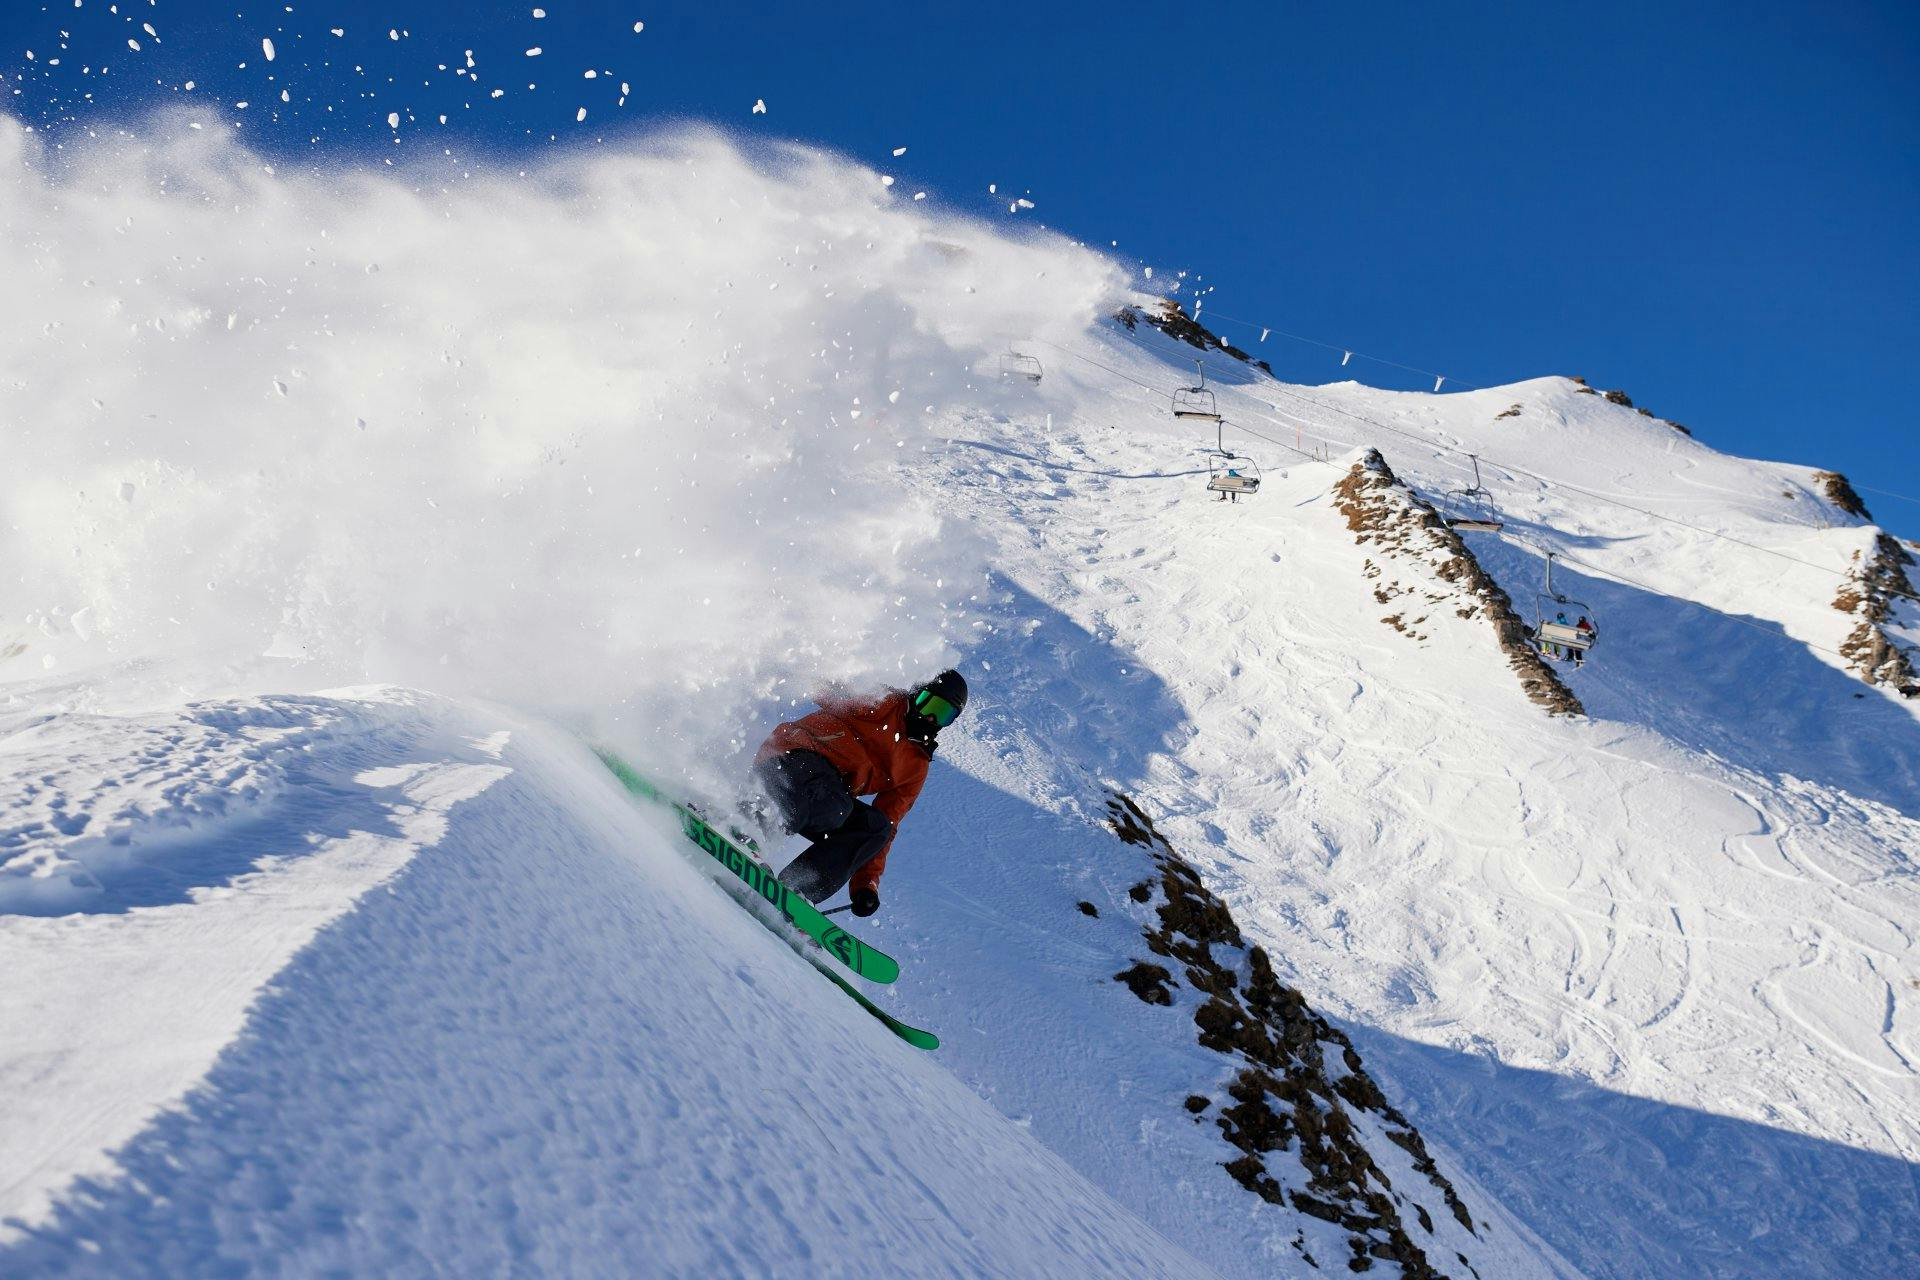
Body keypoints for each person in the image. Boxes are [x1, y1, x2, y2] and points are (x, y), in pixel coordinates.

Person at [750, 670, 968, 917]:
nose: (930, 717)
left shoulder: (916, 766)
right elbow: (822, 684)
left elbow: (889, 826)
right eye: (928, 703)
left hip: (828, 797)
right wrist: (801, 666)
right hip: (791, 758)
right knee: (832, 801)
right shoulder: (881, 701)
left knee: (876, 828)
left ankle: (798, 889)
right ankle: (747, 827)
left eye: (943, 714)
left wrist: (866, 884)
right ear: (915, 694)